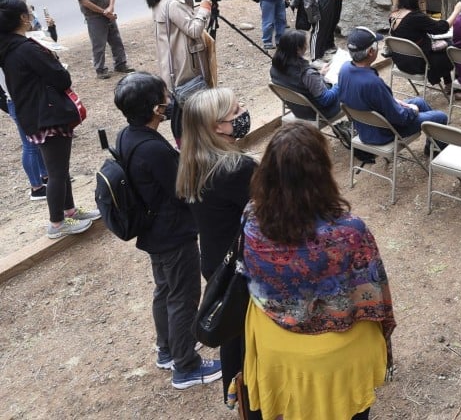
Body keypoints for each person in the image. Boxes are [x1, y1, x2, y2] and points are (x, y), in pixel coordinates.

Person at [241, 122, 395, 420]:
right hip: (338, 352)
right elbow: (374, 297)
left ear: (268, 171)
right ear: (322, 172)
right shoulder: (350, 232)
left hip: (275, 339)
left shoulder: (250, 218)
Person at [112, 72, 222, 389]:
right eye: (165, 97)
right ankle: (186, 367)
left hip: (154, 234)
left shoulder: (128, 135)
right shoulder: (154, 150)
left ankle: (168, 350)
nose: (170, 101)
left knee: (165, 292)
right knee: (183, 299)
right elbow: (182, 188)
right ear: (156, 109)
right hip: (174, 236)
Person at [0, 0, 100, 238]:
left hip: (35, 115)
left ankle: (70, 211)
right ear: (23, 18)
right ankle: (56, 224)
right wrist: (53, 58)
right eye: (29, 11)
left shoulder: (9, 48)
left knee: (60, 167)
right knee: (56, 172)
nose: (32, 14)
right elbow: (61, 78)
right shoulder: (26, 49)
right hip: (48, 115)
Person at [177, 87, 254, 404]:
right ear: (215, 127)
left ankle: (233, 394)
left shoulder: (192, 159)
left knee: (230, 327)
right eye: (235, 113)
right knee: (248, 331)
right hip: (240, 262)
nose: (242, 114)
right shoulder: (236, 169)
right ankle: (251, 395)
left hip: (212, 258)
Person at [337, 27, 448, 145]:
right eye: (377, 45)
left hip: (365, 127)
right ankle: (437, 151)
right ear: (370, 52)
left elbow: (373, 100)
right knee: (440, 117)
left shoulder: (344, 69)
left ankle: (431, 146)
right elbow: (401, 118)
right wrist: (413, 111)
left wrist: (394, 101)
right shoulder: (373, 82)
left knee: (419, 102)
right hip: (385, 132)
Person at [1, 4, 54, 201]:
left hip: (20, 100)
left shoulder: (14, 45)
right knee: (30, 144)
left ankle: (46, 177)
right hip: (16, 101)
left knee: (36, 142)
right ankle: (36, 187)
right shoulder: (9, 49)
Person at [146, 0, 213, 93]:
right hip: (184, 66)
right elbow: (194, 31)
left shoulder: (157, 2)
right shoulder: (172, 5)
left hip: (171, 63)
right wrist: (204, 9)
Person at [389, 0, 461, 92]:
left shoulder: (394, 14)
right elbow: (442, 28)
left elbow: (413, 29)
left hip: (401, 61)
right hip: (419, 63)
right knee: (453, 47)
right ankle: (458, 91)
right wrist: (456, 11)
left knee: (444, 44)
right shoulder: (415, 17)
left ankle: (449, 84)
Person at [72, 0, 134, 79]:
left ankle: (121, 64)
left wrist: (110, 8)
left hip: (108, 14)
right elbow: (84, 1)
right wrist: (103, 12)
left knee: (116, 40)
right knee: (99, 44)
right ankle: (100, 70)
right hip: (94, 18)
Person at [270, 29, 342, 119]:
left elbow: (297, 81)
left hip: (299, 109)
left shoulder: (275, 68)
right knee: (351, 86)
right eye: (305, 43)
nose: (306, 45)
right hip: (321, 112)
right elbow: (325, 100)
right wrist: (340, 83)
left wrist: (319, 74)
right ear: (298, 49)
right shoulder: (308, 74)